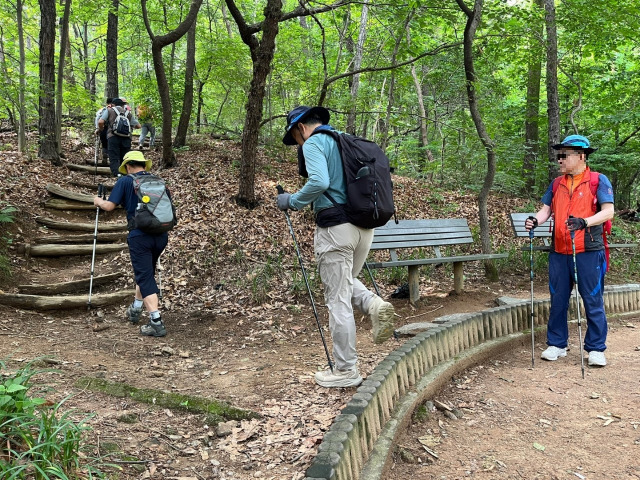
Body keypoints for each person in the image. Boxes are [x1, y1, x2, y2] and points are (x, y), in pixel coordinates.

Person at [277, 106, 395, 388]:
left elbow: (319, 181)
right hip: (365, 229)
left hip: (336, 229)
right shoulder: (344, 139)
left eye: (296, 137)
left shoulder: (315, 141)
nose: (298, 144)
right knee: (345, 284)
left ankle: (345, 370)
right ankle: (373, 303)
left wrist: (292, 201)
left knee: (337, 299)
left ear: (300, 127)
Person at [525, 134, 614, 367]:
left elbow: (608, 212)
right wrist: (535, 220)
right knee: (558, 300)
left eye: (564, 155)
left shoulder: (598, 180)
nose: (560, 159)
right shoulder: (557, 184)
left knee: (592, 299)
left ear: (581, 156)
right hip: (559, 251)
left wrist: (585, 222)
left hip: (588, 250)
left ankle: (596, 348)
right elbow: (546, 211)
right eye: (558, 155)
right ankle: (557, 344)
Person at [93, 150, 168, 337]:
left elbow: (109, 207)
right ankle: (135, 309)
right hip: (161, 234)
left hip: (139, 236)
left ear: (127, 166)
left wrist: (98, 201)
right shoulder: (157, 181)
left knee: (144, 276)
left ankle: (156, 322)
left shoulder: (125, 181)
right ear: (144, 164)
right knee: (146, 272)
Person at [97, 97, 141, 177]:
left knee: (113, 157)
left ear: (113, 104)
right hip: (126, 138)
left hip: (113, 137)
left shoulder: (110, 110)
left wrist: (101, 129)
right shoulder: (127, 113)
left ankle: (117, 175)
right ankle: (125, 175)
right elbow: (138, 126)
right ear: (122, 105)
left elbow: (100, 122)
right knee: (125, 157)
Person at [94, 98, 112, 165]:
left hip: (103, 128)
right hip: (112, 130)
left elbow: (97, 118)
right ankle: (111, 158)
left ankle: (104, 154)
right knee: (111, 144)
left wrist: (97, 128)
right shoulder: (115, 110)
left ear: (106, 103)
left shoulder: (101, 110)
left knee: (104, 144)